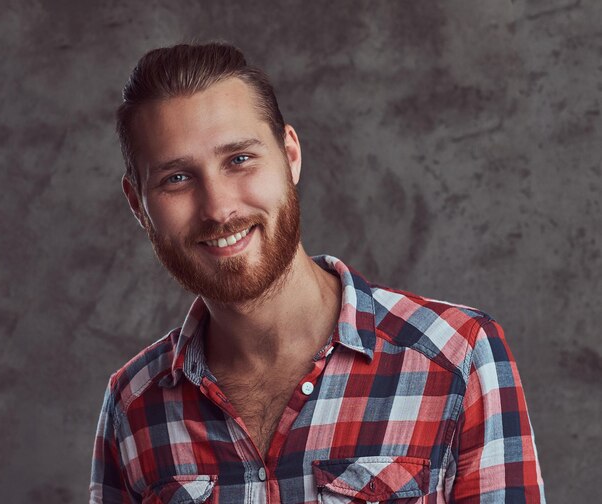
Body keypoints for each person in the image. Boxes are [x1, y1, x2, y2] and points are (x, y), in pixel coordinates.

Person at [90, 42, 545, 504]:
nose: (219, 208)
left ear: (290, 156)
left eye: (239, 160)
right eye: (177, 179)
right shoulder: (134, 403)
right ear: (137, 205)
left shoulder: (457, 358)